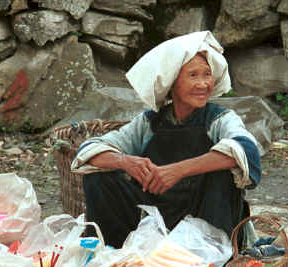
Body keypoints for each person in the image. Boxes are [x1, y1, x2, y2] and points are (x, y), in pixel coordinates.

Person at [71, 31, 261, 249]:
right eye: (193, 76)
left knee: (223, 172)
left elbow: (246, 150)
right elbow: (89, 150)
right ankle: (113, 253)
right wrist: (127, 162)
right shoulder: (149, 123)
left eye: (206, 74)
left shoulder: (219, 119)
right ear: (172, 84)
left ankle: (212, 261)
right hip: (158, 221)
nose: (203, 84)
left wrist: (177, 171)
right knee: (99, 177)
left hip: (207, 219)